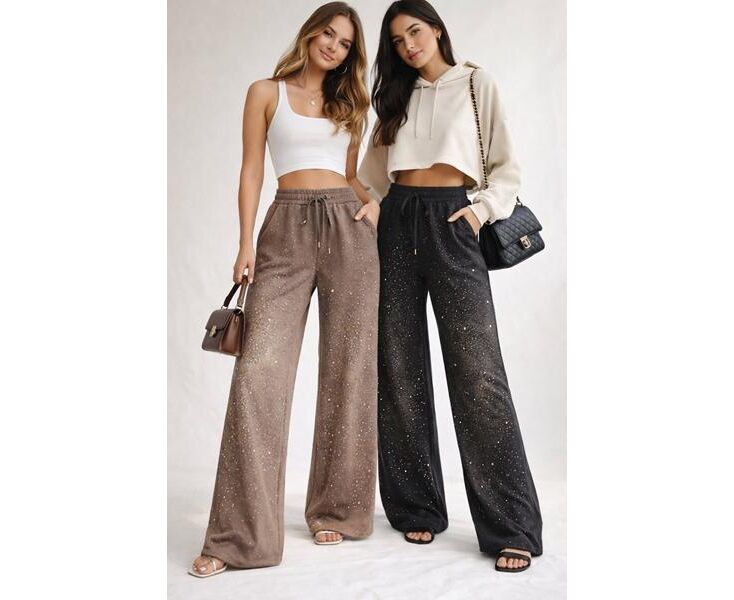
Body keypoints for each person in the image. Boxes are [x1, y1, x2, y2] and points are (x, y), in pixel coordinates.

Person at [190, 1, 381, 577]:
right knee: (258, 375)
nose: (333, 46)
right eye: (328, 33)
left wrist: (372, 203)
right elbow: (251, 169)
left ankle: (338, 510)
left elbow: (351, 174)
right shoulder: (265, 92)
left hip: (349, 229)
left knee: (350, 370)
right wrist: (245, 241)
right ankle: (238, 538)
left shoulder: (352, 106)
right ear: (310, 33)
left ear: (350, 55)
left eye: (345, 43)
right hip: (285, 228)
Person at [356, 0, 543, 572]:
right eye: (397, 40)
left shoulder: (476, 83)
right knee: (399, 366)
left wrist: (480, 210)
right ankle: (416, 506)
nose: (409, 45)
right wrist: (376, 207)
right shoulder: (395, 96)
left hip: (454, 219)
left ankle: (511, 526)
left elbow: (506, 166)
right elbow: (369, 175)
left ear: (437, 29)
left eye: (415, 31)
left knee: (478, 373)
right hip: (398, 221)